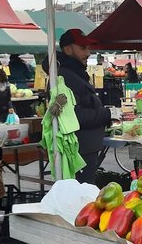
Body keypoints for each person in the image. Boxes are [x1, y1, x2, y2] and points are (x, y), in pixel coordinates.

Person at [41, 28, 111, 184]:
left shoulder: (75, 74)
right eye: (82, 48)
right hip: (78, 150)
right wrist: (106, 114)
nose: (88, 53)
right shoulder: (63, 77)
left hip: (85, 148)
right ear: (67, 49)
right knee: (80, 197)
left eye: (88, 48)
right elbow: (72, 117)